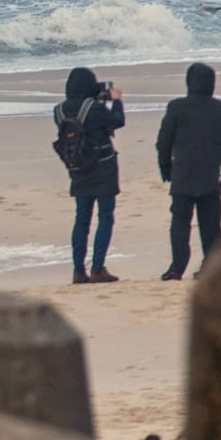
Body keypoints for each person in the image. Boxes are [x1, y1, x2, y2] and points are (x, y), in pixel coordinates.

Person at [155, 62, 221, 280]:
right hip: (210, 176)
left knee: (180, 225)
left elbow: (163, 142)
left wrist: (165, 168)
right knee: (211, 226)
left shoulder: (176, 107)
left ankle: (177, 267)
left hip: (182, 175)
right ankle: (210, 267)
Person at [60, 67, 124, 285]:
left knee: (82, 218)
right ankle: (97, 269)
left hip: (77, 168)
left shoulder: (59, 111)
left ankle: (78, 271)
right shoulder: (95, 108)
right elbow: (117, 121)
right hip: (104, 166)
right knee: (105, 215)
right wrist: (115, 100)